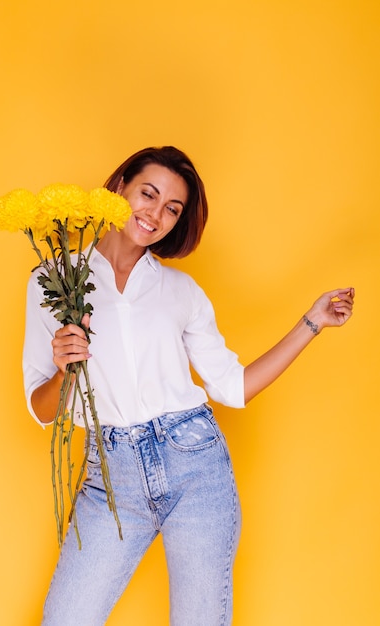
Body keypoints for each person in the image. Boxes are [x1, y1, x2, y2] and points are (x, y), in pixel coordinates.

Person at [23, 146, 354, 626]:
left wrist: (313, 321)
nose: (155, 215)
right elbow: (41, 408)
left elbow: (234, 387)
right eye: (148, 195)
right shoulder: (53, 278)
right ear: (119, 189)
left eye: (172, 209)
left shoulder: (181, 292)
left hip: (194, 467)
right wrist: (65, 368)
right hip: (110, 477)